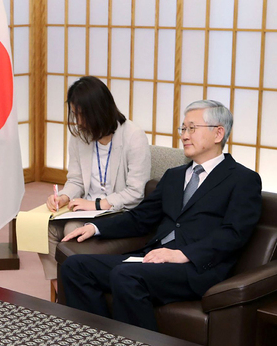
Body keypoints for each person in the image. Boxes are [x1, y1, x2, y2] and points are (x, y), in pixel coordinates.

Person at [60, 100, 262, 331]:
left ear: (218, 133)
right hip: (152, 259)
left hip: (196, 268)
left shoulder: (242, 179)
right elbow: (141, 217)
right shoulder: (174, 175)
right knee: (75, 266)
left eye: (192, 128)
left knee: (126, 276)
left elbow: (234, 234)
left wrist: (182, 254)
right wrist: (96, 228)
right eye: (183, 129)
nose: (185, 135)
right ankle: (100, 341)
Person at [42, 76, 151, 292]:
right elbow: (75, 180)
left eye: (83, 114)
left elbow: (136, 192)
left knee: (72, 229)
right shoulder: (80, 137)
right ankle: (59, 288)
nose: (79, 121)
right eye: (75, 114)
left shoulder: (133, 136)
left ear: (100, 110)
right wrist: (64, 196)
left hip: (118, 210)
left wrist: (98, 205)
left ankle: (73, 287)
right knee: (44, 225)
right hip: (84, 207)